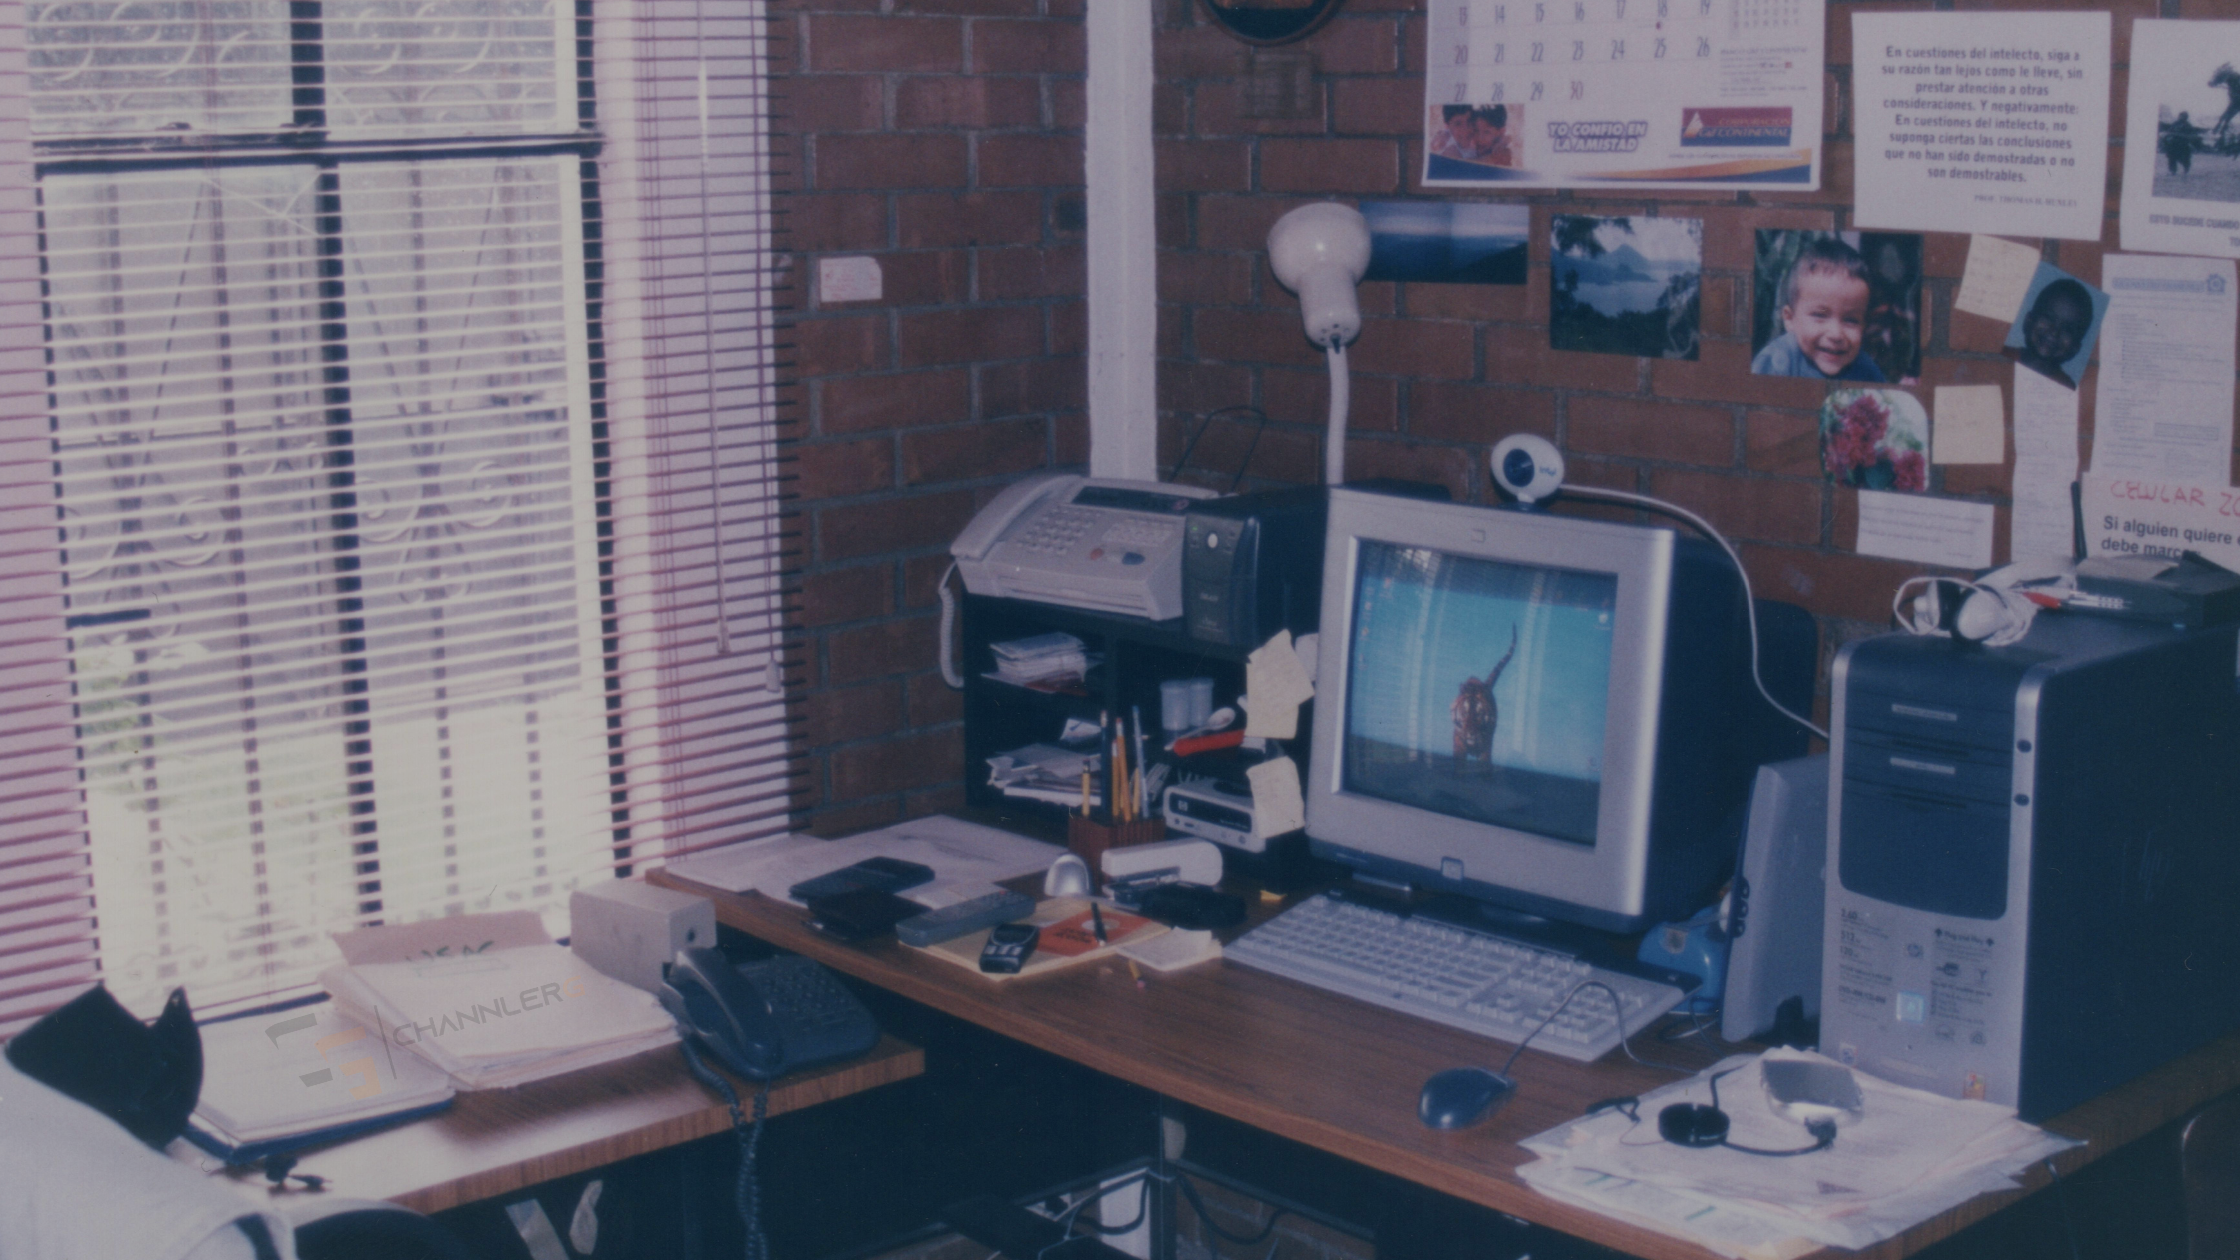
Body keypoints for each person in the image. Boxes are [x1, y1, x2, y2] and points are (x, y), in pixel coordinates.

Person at [1751, 236, 1884, 381]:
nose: (1836, 334)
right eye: (1820, 315)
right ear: (1789, 319)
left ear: (1864, 325)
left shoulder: (1865, 369)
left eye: (1851, 320)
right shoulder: (1778, 361)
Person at [2006, 278, 2094, 390]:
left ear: (2075, 349)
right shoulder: (2001, 356)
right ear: (2028, 321)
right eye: (2048, 318)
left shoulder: (2067, 387)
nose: (2054, 332)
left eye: (2067, 329)